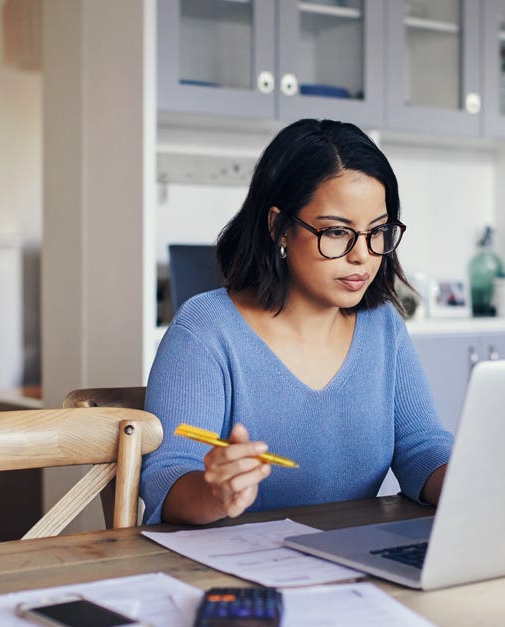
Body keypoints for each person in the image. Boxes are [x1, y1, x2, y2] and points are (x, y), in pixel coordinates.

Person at [141, 118, 453, 525]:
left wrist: (474, 483)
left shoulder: (383, 326)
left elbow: (421, 448)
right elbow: (167, 479)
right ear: (280, 227)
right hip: (230, 574)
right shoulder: (206, 330)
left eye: (378, 231)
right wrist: (214, 492)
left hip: (348, 563)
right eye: (338, 232)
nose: (362, 255)